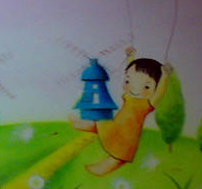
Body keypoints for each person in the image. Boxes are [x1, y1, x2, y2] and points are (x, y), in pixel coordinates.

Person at [69, 47, 172, 176]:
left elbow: (159, 93)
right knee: (102, 125)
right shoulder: (129, 97)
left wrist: (165, 77)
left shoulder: (146, 104)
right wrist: (130, 57)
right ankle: (82, 124)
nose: (134, 89)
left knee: (119, 155)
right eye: (128, 81)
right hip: (116, 125)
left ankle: (100, 169)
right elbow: (131, 71)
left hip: (128, 135)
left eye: (146, 86)